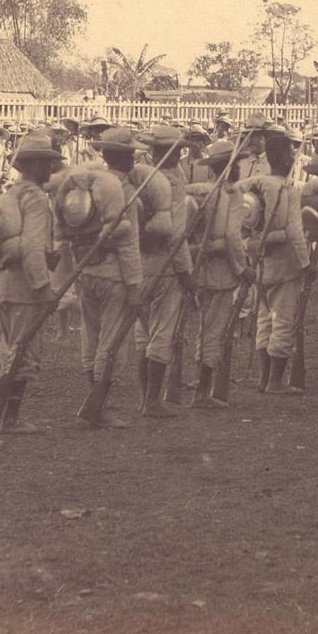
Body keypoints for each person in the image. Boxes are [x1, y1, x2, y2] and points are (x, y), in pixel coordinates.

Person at [66, 127, 145, 428]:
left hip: (86, 270)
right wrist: (135, 285)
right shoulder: (124, 191)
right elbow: (129, 243)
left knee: (92, 337)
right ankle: (98, 405)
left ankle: (94, 400)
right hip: (113, 274)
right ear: (126, 158)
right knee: (111, 343)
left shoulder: (88, 185)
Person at [0, 130, 64, 434]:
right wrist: (44, 287)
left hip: (6, 283)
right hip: (23, 288)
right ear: (33, 165)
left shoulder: (11, 194)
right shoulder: (33, 198)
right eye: (44, 164)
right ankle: (11, 417)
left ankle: (8, 413)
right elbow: (31, 248)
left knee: (12, 348)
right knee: (24, 352)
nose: (49, 170)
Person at [131, 125, 195, 419]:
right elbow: (177, 235)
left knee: (143, 332)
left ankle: (145, 398)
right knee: (160, 333)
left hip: (138, 264)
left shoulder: (141, 177)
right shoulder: (173, 183)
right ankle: (152, 401)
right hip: (166, 266)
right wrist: (185, 271)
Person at [243, 127, 311, 394]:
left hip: (260, 262)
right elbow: (294, 231)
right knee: (282, 320)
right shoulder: (287, 190)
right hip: (284, 263)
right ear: (283, 158)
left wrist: (252, 246)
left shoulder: (255, 184)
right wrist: (305, 263)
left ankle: (264, 378)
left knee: (264, 318)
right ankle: (274, 381)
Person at [187, 140, 249, 408]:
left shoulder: (203, 192)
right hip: (221, 271)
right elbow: (233, 237)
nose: (236, 169)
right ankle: (202, 392)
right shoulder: (229, 194)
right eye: (233, 165)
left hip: (201, 269)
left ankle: (202, 386)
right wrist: (242, 267)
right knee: (214, 330)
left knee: (206, 328)